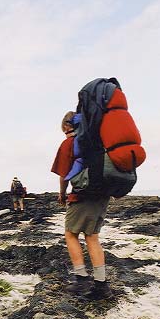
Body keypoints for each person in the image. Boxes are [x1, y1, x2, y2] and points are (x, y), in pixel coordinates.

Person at [51, 111, 113, 300]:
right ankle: (101, 285)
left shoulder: (69, 143)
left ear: (67, 126)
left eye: (63, 129)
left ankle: (82, 279)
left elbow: (64, 174)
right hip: (102, 194)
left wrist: (62, 194)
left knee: (70, 234)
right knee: (92, 237)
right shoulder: (96, 143)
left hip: (83, 195)